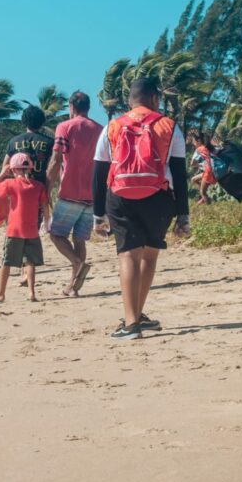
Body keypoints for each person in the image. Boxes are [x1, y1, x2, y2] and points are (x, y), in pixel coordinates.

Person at [92, 77, 190, 340]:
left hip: (120, 197)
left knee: (128, 256)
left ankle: (131, 323)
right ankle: (138, 315)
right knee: (149, 256)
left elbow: (99, 171)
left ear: (129, 100)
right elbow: (180, 174)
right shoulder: (169, 126)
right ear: (155, 98)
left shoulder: (112, 126)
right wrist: (183, 214)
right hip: (159, 198)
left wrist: (97, 214)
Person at [46, 91, 104, 297]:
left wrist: (46, 187)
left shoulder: (65, 127)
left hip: (70, 191)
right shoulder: (100, 129)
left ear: (71, 106)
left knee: (55, 234)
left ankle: (78, 263)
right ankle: (73, 287)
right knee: (79, 239)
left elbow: (56, 160)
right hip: (93, 194)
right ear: (88, 107)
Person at [0, 153, 51, 303]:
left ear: (13, 169)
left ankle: (0, 294)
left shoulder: (10, 183)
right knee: (30, 262)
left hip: (14, 229)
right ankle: (31, 292)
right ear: (29, 168)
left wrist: (2, 173)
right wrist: (47, 222)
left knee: (7, 262)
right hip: (31, 229)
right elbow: (45, 206)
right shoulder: (38, 186)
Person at [4, 106, 54, 187]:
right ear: (41, 121)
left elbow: (5, 167)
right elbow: (53, 166)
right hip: (40, 189)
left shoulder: (13, 141)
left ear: (24, 121)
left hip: (19, 189)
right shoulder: (50, 142)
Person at [188, 131, 216, 205]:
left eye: (193, 141)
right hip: (213, 170)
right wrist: (203, 164)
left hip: (208, 171)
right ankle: (204, 198)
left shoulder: (199, 149)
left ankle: (208, 204)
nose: (193, 143)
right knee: (193, 180)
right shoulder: (209, 147)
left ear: (198, 141)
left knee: (202, 192)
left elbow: (192, 164)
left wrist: (199, 164)